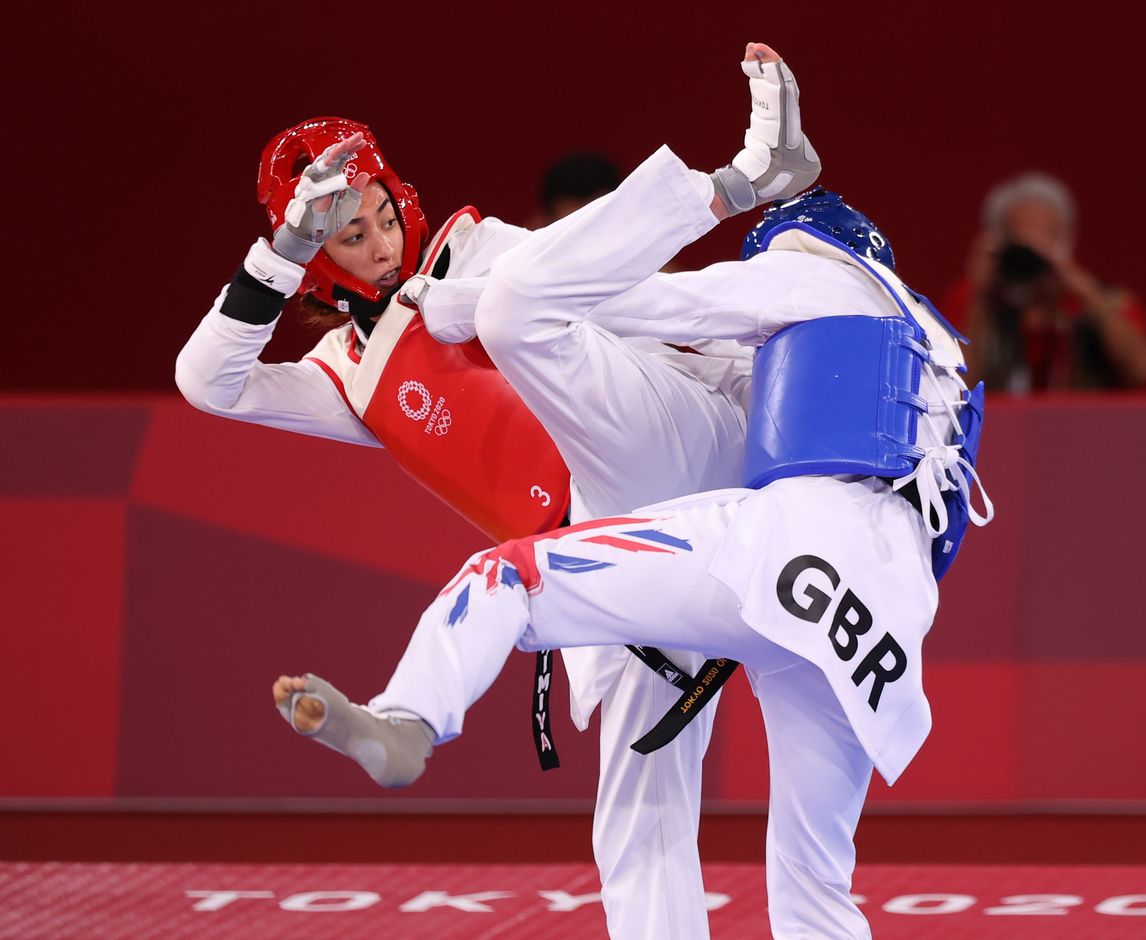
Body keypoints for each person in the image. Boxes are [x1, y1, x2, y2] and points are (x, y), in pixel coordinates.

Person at [180, 43, 820, 939]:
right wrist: (277, 252)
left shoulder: (478, 248)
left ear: (401, 196)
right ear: (319, 265)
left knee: (513, 301)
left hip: (685, 445)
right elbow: (209, 382)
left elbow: (630, 290)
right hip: (612, 549)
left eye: (380, 217)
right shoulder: (345, 376)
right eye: (347, 239)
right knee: (636, 815)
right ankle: (405, 722)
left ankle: (750, 174)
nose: (379, 245)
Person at [271, 147, 993, 937]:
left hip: (774, 545)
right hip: (881, 613)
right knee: (815, 885)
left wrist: (463, 303)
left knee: (504, 579)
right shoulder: (939, 351)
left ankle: (409, 721)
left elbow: (648, 303)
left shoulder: (813, 280)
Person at [943, 171, 1146, 392]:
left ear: (1067, 242)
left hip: (1085, 424)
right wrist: (980, 298)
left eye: (1045, 243)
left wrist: (1087, 293)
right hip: (997, 425)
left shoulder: (1105, 299)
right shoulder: (973, 298)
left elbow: (1142, 369)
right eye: (1021, 245)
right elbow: (955, 386)